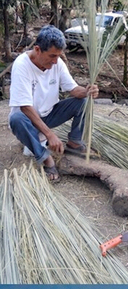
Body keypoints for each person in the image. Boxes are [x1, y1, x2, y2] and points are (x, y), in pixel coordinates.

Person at [9, 25, 99, 183]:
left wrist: (87, 91)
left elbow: (73, 90)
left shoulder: (56, 63)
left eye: (58, 56)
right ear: (37, 50)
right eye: (52, 56)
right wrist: (50, 134)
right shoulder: (21, 65)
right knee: (16, 118)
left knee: (83, 102)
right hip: (28, 121)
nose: (56, 60)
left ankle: (74, 143)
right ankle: (46, 159)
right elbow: (25, 107)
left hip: (49, 115)